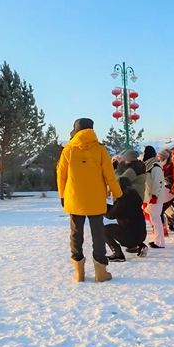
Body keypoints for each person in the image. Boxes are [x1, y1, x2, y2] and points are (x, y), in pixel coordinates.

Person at [58, 118, 122, 283]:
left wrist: (62, 195)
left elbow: (61, 176)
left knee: (75, 233)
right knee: (98, 233)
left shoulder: (68, 149)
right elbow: (110, 176)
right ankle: (100, 271)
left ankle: (78, 271)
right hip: (95, 199)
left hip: (74, 198)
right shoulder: (100, 150)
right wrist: (118, 194)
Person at [104, 177, 149, 262]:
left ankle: (118, 254)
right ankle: (139, 245)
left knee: (103, 230)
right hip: (141, 234)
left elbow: (110, 215)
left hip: (129, 236)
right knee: (131, 225)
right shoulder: (135, 196)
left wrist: (101, 206)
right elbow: (116, 209)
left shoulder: (123, 200)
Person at [143, 146, 166, 248]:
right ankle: (157, 240)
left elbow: (158, 183)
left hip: (154, 198)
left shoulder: (155, 167)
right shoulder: (151, 165)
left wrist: (155, 195)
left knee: (156, 219)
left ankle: (159, 242)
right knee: (154, 219)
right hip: (151, 197)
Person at [157, 150, 174, 232]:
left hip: (169, 188)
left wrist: (167, 179)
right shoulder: (157, 165)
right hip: (160, 188)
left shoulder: (170, 166)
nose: (159, 158)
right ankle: (164, 226)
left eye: (160, 157)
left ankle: (169, 224)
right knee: (160, 209)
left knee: (167, 207)